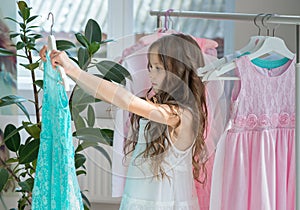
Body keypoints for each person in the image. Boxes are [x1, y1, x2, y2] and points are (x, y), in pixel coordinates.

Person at [39, 33, 208, 210]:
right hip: (141, 199)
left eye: (159, 68)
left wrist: (75, 70)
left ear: (179, 71)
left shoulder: (181, 116)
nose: (151, 74)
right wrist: (70, 71)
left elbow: (124, 100)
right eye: (150, 67)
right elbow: (108, 95)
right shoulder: (163, 109)